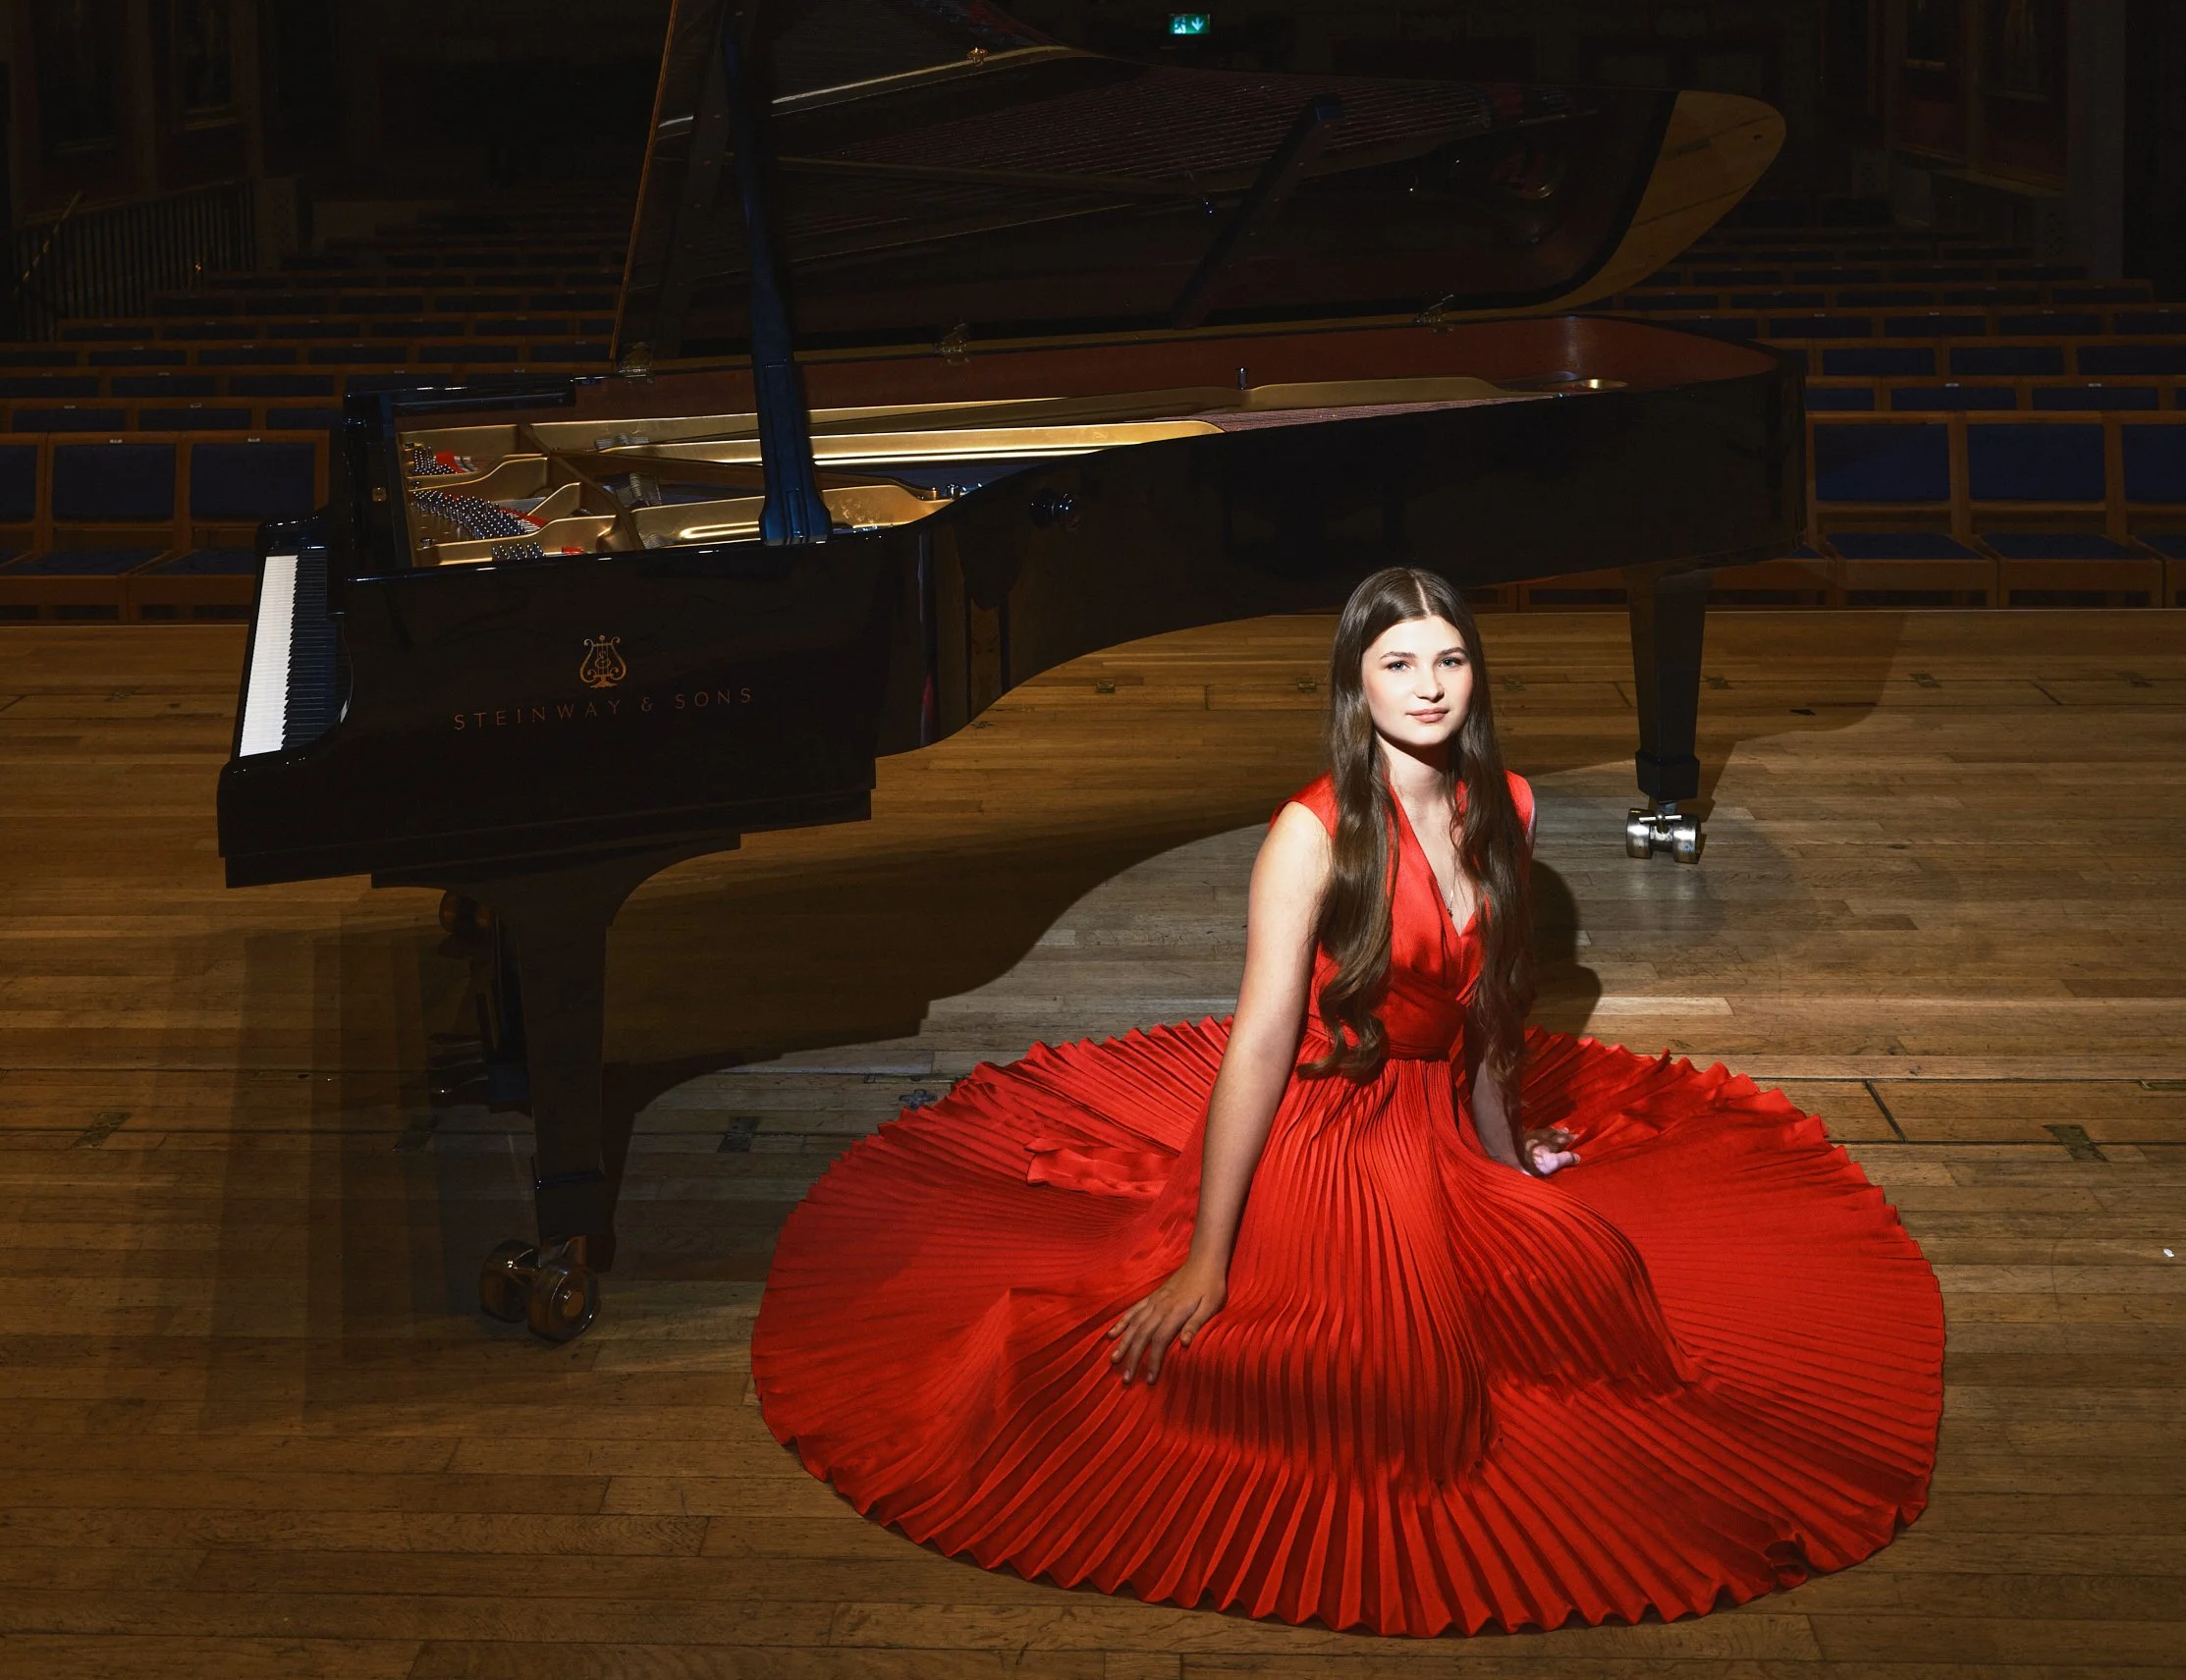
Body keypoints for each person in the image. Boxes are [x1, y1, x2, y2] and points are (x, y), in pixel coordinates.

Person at [752, 566, 1943, 1635]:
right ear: (1354, 685)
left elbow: (1490, 1014)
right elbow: (1263, 1046)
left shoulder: (1509, 806)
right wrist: (1206, 1259)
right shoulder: (1307, 837)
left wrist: (1504, 1154)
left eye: (1451, 658)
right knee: (1391, 1368)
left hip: (1439, 1114)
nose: (1430, 688)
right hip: (1332, 1115)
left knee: (1594, 1279)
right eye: (1398, 664)